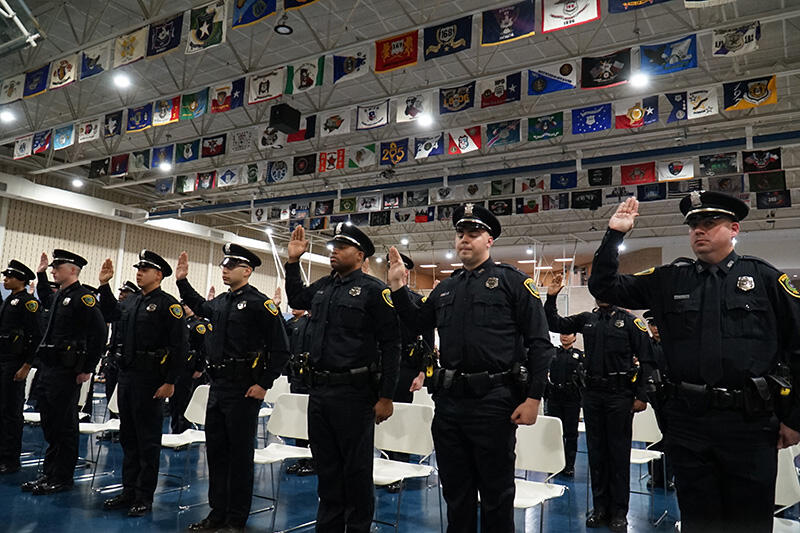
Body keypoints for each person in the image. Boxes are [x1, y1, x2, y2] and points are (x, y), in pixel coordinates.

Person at [588, 192, 800, 533]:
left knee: (748, 522)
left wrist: (794, 418)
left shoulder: (764, 279)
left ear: (734, 229)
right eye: (693, 225)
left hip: (748, 423)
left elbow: (797, 347)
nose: (699, 231)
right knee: (698, 521)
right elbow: (604, 286)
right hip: (688, 422)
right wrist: (615, 235)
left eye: (709, 224)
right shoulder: (669, 279)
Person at [387, 203, 554, 533]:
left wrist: (534, 398)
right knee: (456, 492)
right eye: (461, 234)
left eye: (474, 234)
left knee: (496, 494)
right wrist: (397, 289)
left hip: (494, 401)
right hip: (449, 404)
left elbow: (540, 343)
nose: (465, 239)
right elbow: (418, 320)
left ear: (489, 240)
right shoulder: (445, 288)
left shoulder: (513, 284)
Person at [285, 222, 400, 533]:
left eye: (342, 246)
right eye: (333, 245)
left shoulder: (374, 291)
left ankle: (358, 527)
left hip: (355, 393)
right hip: (320, 392)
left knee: (357, 470)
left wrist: (386, 396)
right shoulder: (323, 286)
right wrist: (293, 262)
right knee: (327, 468)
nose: (333, 251)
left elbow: (392, 345)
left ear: (360, 254)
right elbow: (296, 299)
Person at [177, 243, 290, 533]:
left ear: (247, 270)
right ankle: (217, 513)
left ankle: (236, 519)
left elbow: (281, 349)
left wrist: (264, 384)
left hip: (243, 389)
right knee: (216, 453)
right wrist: (182, 282)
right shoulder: (223, 302)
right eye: (223, 266)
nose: (224, 270)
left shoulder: (259, 303)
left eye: (231, 266)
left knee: (239, 457)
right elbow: (201, 307)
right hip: (218, 386)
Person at [545, 272, 652, 532]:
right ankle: (600, 508)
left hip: (619, 396)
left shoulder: (629, 322)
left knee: (617, 454)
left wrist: (641, 395)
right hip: (592, 395)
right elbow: (555, 323)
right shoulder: (587, 319)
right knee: (596, 453)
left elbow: (648, 360)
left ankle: (619, 512)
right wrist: (551, 297)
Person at [97, 250, 187, 516]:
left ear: (158, 275)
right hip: (127, 377)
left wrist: (170, 381)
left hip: (151, 381)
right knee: (128, 438)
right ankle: (128, 490)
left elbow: (180, 346)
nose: (139, 273)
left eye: (145, 270)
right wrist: (104, 285)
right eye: (138, 269)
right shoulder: (132, 301)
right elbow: (111, 312)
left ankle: (144, 496)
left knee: (147, 440)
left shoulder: (168, 305)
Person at [22, 250, 106, 495]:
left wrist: (88, 368)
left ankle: (62, 477)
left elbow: (100, 334)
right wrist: (39, 273)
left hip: (67, 371)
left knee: (64, 425)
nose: (53, 270)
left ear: (73, 270)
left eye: (57, 267)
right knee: (50, 423)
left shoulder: (84, 298)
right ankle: (49, 473)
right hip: (49, 368)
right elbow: (47, 298)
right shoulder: (61, 297)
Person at [383, 252, 436, 491]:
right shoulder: (378, 297)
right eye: (389, 265)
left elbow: (428, 340)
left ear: (406, 272)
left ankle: (400, 467)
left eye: (396, 266)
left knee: (401, 418)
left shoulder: (416, 301)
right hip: (380, 367)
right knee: (380, 420)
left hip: (406, 368)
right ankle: (383, 463)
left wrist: (423, 373)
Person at [0, 260, 41, 474]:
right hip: (3, 359)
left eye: (9, 276)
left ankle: (10, 459)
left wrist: (27, 365)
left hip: (15, 363)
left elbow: (36, 337)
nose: (5, 279)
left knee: (11, 411)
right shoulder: (9, 300)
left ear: (21, 279)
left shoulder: (28, 303)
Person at [544, 332, 584, 478]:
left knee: (571, 433)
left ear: (575, 337)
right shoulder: (553, 353)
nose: (564, 337)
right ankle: (554, 463)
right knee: (554, 432)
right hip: (554, 397)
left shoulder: (579, 356)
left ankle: (569, 465)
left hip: (571, 399)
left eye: (568, 334)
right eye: (562, 334)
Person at [642, 310, 673, 490]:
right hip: (651, 397)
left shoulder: (673, 345)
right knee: (651, 438)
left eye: (658, 324)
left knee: (670, 438)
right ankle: (654, 476)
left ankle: (669, 476)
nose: (656, 328)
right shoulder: (645, 345)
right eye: (652, 325)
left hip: (669, 397)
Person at [100, 281, 140, 422]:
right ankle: (112, 423)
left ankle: (121, 426)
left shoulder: (133, 313)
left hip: (127, 359)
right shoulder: (117, 313)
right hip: (113, 358)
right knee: (110, 393)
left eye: (125, 293)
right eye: (120, 292)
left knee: (124, 398)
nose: (121, 295)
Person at [283, 307, 315, 476]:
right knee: (298, 420)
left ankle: (314, 460)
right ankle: (300, 457)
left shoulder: (321, 323)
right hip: (297, 377)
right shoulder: (298, 323)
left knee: (313, 421)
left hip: (313, 379)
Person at [170, 302, 209, 434]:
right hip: (178, 367)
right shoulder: (181, 323)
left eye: (186, 306)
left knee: (184, 402)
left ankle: (183, 432)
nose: (183, 308)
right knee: (174, 402)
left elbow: (203, 349)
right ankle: (175, 430)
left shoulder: (197, 326)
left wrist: (199, 368)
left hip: (189, 369)